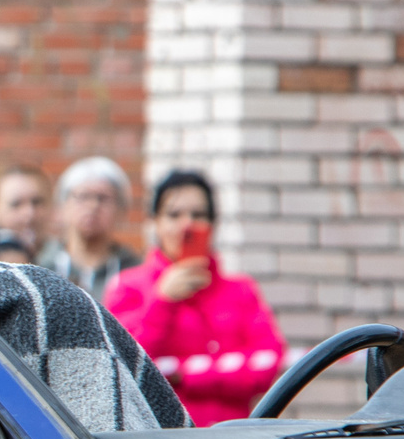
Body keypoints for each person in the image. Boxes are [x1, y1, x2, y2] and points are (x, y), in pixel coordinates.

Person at [105, 169, 286, 425]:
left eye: (198, 215)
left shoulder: (241, 290)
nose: (186, 225)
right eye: (174, 214)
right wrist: (162, 301)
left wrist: (183, 374)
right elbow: (123, 366)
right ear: (155, 222)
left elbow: (266, 366)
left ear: (213, 224)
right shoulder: (128, 286)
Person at [40, 156, 141, 298]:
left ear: (121, 209)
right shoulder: (42, 266)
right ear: (62, 206)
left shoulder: (134, 271)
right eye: (83, 196)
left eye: (103, 198)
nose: (93, 206)